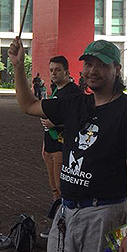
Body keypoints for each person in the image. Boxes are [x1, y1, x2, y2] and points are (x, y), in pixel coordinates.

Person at [8, 37, 127, 252]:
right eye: (88, 63)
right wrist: (18, 66)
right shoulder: (74, 104)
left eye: (101, 64)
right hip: (67, 214)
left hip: (106, 215)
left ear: (117, 69)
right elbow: (27, 105)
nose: (93, 70)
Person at [39, 56, 81, 236]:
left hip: (62, 148)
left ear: (67, 71)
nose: (53, 73)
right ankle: (59, 222)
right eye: (51, 70)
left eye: (57, 69)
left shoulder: (73, 93)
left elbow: (79, 121)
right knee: (54, 187)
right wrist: (44, 145)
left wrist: (55, 124)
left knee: (63, 188)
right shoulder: (56, 90)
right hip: (50, 146)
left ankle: (65, 225)